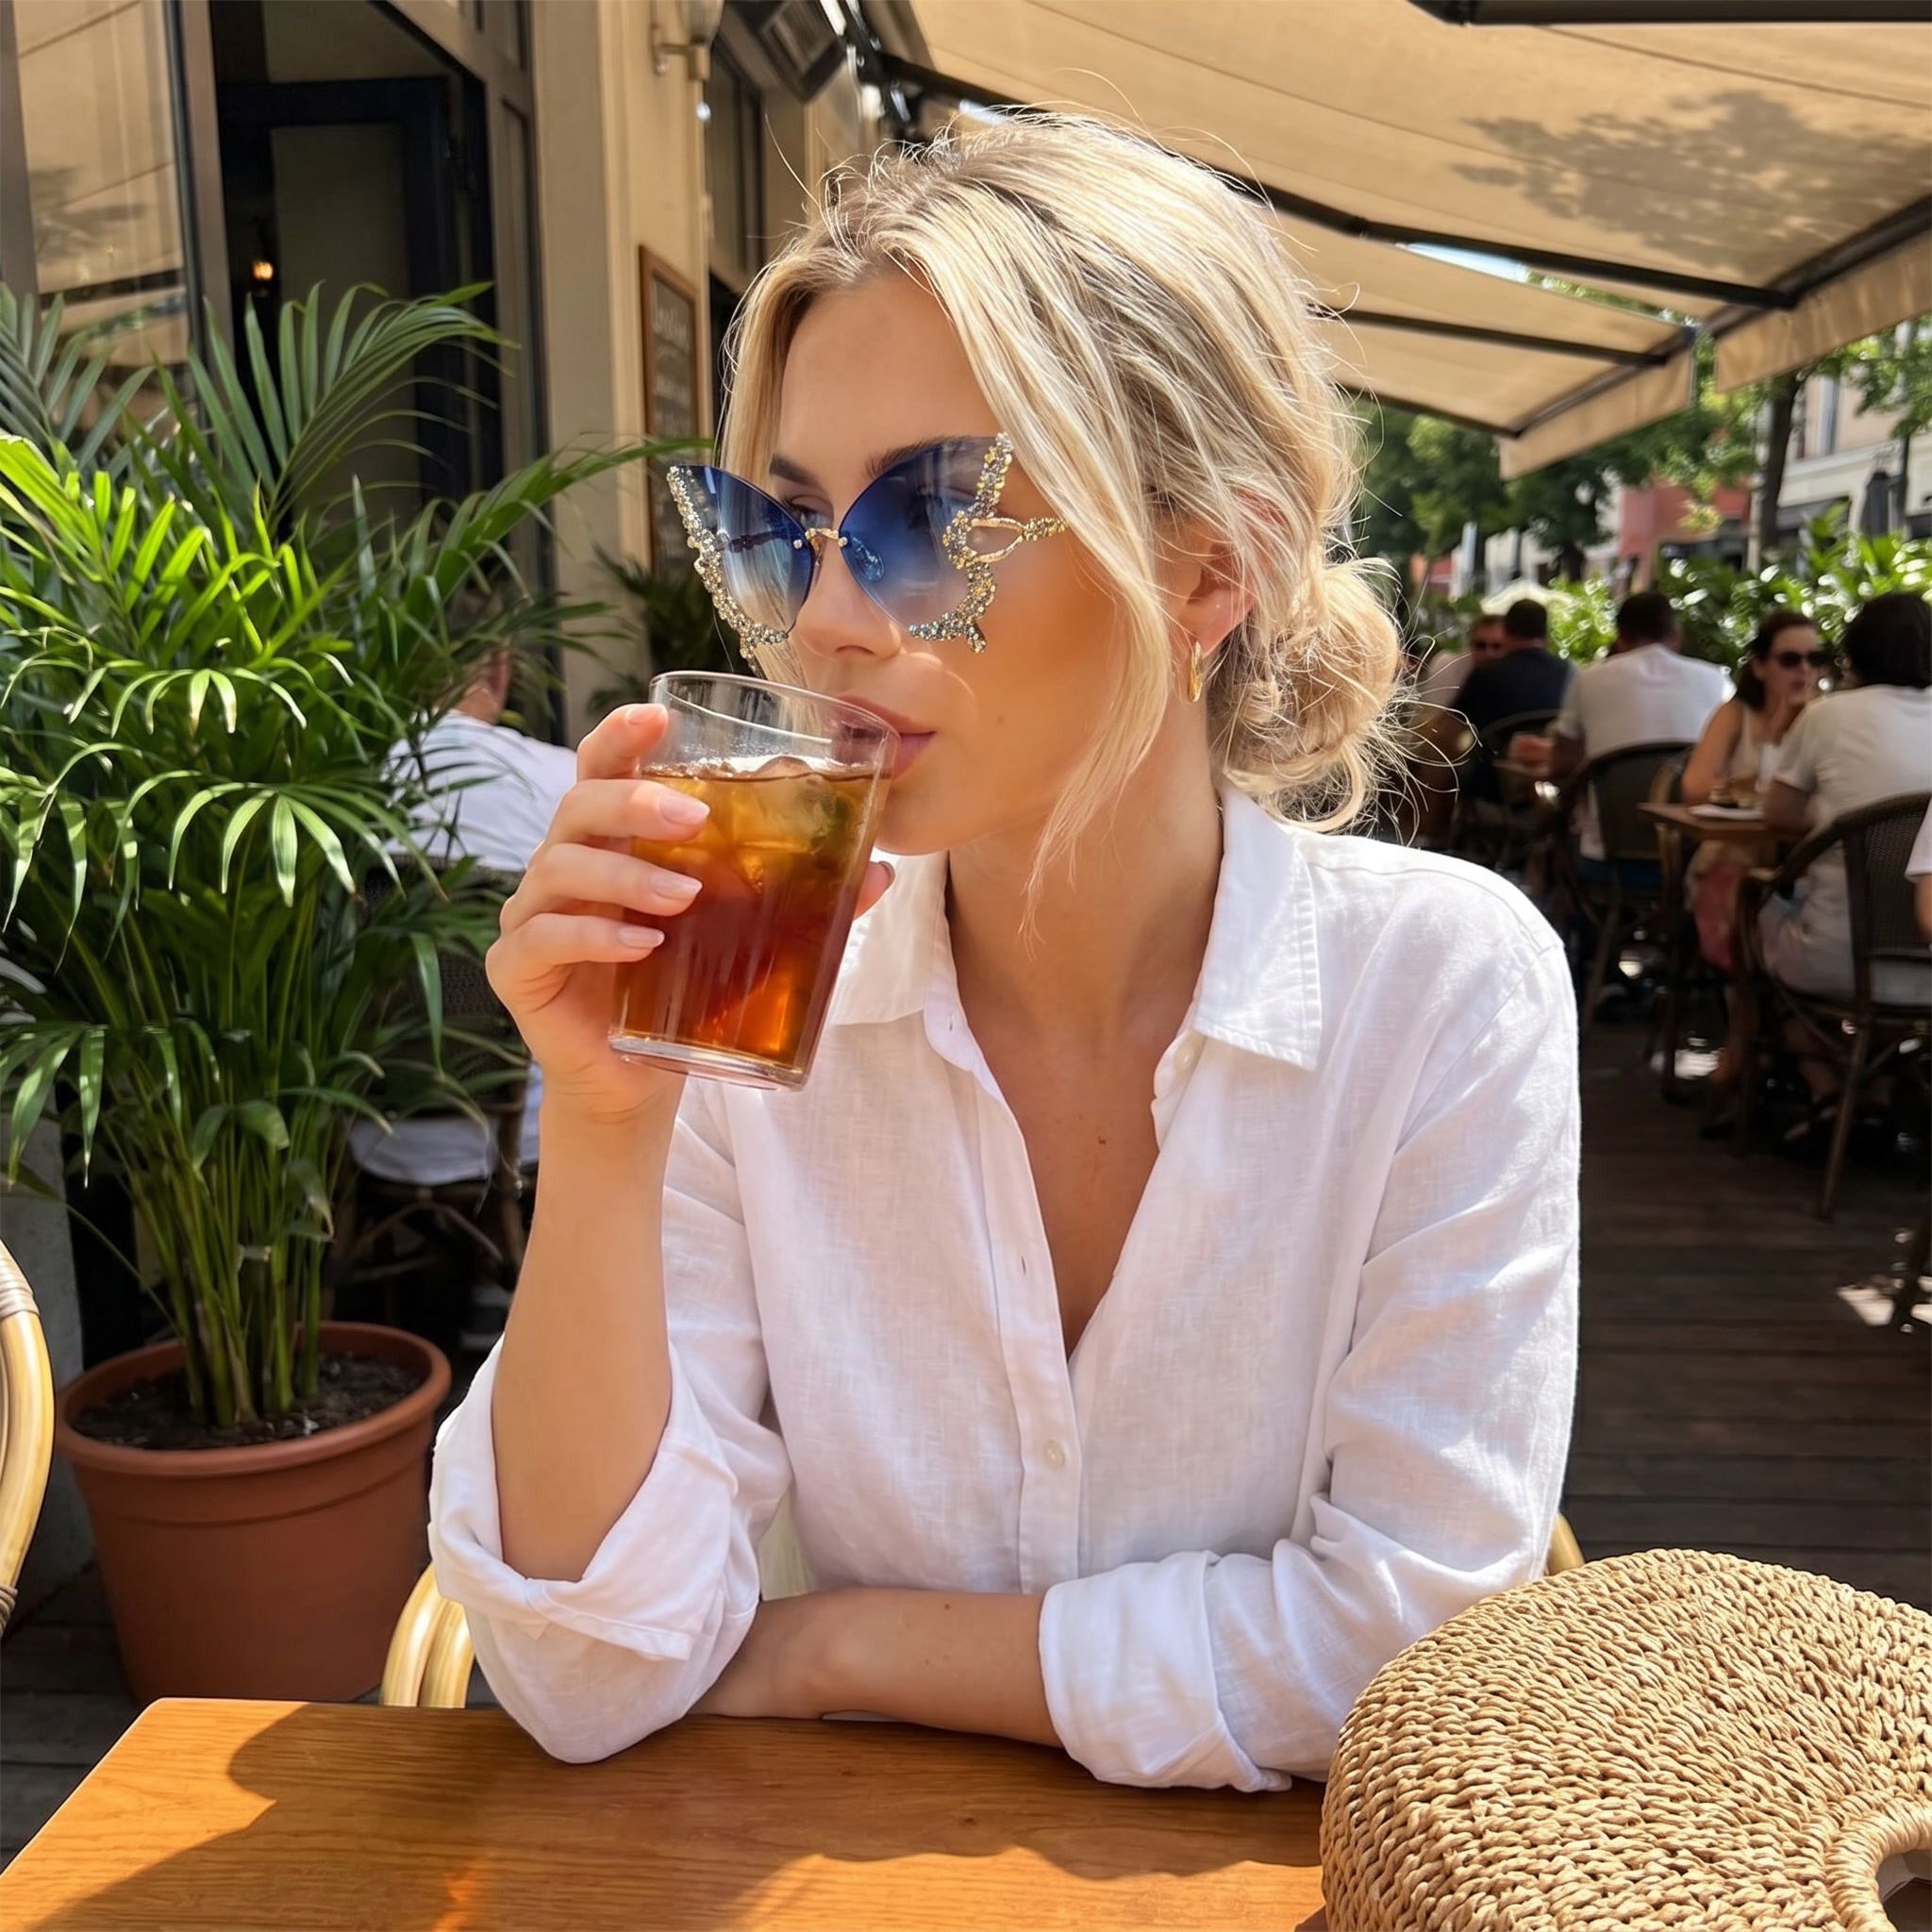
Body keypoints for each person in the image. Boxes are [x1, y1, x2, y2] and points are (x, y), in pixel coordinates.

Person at [428, 114, 1579, 1792]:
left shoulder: (1438, 991)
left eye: (926, 524)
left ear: (1206, 570)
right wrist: (606, 1127)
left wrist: (830, 1645)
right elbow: (589, 1667)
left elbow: (1418, 1649)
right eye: (784, 529)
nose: (827, 620)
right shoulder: (751, 999)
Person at [348, 650, 578, 1186]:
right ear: (499, 668)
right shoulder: (563, 780)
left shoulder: (352, 782)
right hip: (531, 1134)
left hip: (366, 1134)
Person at [1757, 591, 1932, 1006]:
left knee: (1752, 903)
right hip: (1928, 966)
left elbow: (1777, 814)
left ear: (1855, 654)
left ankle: (1770, 1038)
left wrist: (1836, 816)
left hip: (1837, 959)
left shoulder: (1826, 714)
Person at [1681, 610, 1828, 974]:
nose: (1804, 670)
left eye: (1815, 659)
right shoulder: (1735, 714)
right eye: (1790, 660)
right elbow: (1693, 788)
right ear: (1760, 666)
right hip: (1738, 852)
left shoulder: (1827, 719)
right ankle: (1745, 992)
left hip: (1803, 858)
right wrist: (1744, 787)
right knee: (1739, 879)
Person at [1548, 591, 1730, 863]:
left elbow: (1561, 764)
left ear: (1620, 639)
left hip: (1609, 850)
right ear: (1675, 634)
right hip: (1695, 851)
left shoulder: (1589, 679)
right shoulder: (1717, 681)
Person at [1420, 610, 1505, 709]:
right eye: (1480, 645)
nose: (1488, 653)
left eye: (1497, 646)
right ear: (1470, 645)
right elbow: (1431, 711)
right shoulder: (1448, 666)